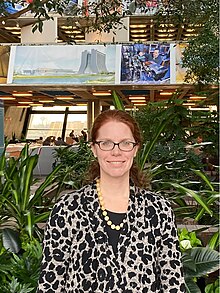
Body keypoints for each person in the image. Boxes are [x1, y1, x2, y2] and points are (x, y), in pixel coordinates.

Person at [37, 109, 185, 292]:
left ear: (136, 149)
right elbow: (50, 283)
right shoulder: (67, 210)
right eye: (106, 143)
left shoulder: (158, 210)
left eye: (125, 143)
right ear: (94, 148)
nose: (116, 152)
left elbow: (173, 284)